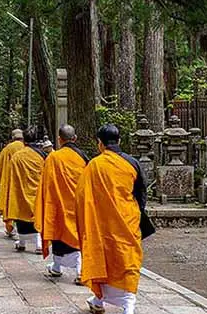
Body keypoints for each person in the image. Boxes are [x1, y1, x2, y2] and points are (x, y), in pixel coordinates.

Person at [75, 124, 148, 314]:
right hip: (127, 221)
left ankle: (100, 299)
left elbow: (82, 197)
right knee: (128, 260)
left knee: (103, 260)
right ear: (119, 141)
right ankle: (124, 303)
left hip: (102, 224)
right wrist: (136, 215)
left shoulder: (93, 166)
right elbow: (141, 194)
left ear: (100, 144)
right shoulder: (132, 163)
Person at [34, 124, 88, 283]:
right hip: (77, 206)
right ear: (75, 138)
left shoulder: (53, 158)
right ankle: (73, 269)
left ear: (59, 139)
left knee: (58, 235)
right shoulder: (83, 157)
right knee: (77, 236)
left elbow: (46, 185)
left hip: (59, 204)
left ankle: (66, 268)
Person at [1, 126, 46, 253]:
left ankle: (22, 243)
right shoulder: (42, 156)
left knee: (21, 218)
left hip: (21, 192)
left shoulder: (17, 156)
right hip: (37, 193)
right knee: (37, 217)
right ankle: (39, 244)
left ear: (24, 141)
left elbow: (12, 178)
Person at [0, 129, 25, 237]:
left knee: (10, 204)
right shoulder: (25, 148)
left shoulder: (6, 149)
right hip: (23, 181)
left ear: (12, 137)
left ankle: (11, 228)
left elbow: (1, 167)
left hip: (9, 181)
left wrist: (0, 183)